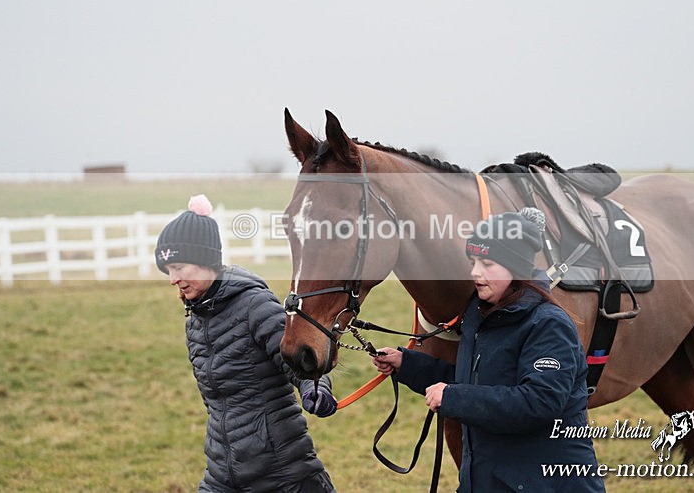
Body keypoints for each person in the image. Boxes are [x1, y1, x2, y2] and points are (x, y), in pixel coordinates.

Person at [373, 208, 605, 492]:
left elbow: (539, 403)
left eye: (487, 263)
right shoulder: (482, 315)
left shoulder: (549, 325)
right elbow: (477, 380)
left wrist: (454, 398)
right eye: (473, 262)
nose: (475, 272)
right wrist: (407, 364)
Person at [155, 194, 337, 493]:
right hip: (223, 470)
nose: (173, 279)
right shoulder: (196, 318)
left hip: (282, 471)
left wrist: (316, 388)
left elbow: (300, 359)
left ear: (205, 261)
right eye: (168, 271)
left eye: (179, 268)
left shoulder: (253, 304)